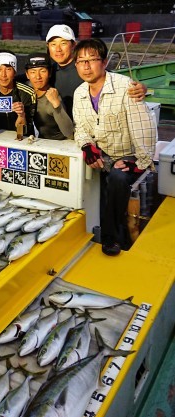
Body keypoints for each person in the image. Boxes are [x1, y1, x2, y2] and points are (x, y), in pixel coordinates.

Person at [72, 38, 156, 257]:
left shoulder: (125, 87)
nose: (86, 66)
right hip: (103, 155)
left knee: (118, 178)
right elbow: (80, 127)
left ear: (105, 61)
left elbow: (143, 127)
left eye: (92, 60)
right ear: (76, 66)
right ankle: (88, 229)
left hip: (128, 155)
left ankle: (112, 237)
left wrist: (141, 162)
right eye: (81, 61)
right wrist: (87, 146)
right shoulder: (79, 94)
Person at [45, 24, 146, 118]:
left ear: (73, 45)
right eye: (53, 44)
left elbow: (115, 81)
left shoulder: (85, 68)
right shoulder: (47, 71)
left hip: (87, 125)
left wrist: (141, 88)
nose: (58, 49)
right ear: (48, 47)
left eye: (63, 43)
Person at [0, 51, 36, 137]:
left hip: (22, 139)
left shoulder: (28, 93)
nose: (3, 75)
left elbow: (23, 132)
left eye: (8, 69)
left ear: (15, 72)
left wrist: (21, 115)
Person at [24, 52, 73, 140]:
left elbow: (69, 132)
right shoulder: (25, 90)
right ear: (27, 75)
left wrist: (57, 106)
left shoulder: (53, 96)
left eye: (42, 71)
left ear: (49, 73)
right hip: (36, 141)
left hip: (58, 144)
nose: (38, 77)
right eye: (33, 72)